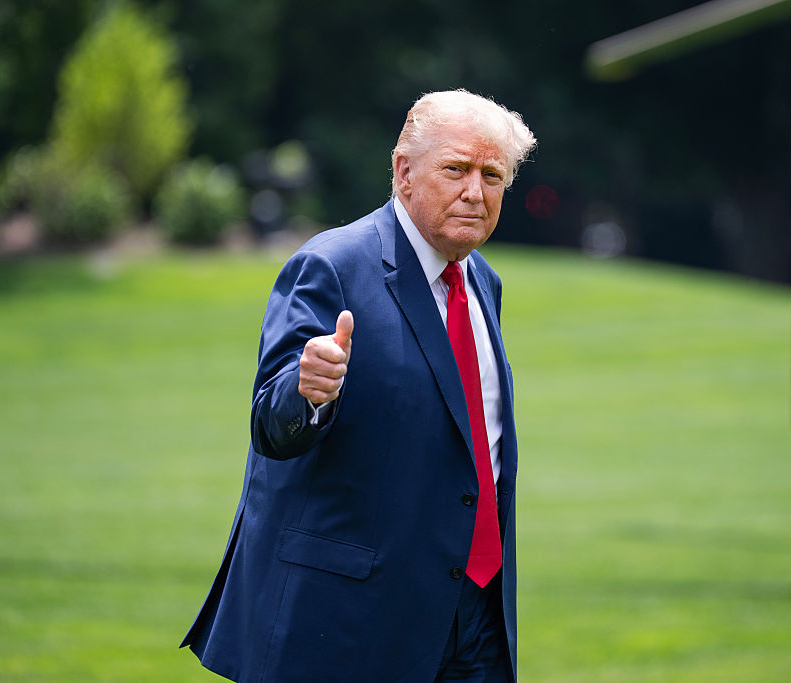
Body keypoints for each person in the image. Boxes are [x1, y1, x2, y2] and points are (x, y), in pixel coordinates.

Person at [181, 89, 536, 682]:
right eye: (456, 170)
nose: (475, 192)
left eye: (492, 175)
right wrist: (309, 391)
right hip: (351, 623)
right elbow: (273, 422)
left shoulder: (482, 283)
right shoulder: (332, 265)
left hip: (474, 618)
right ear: (403, 172)